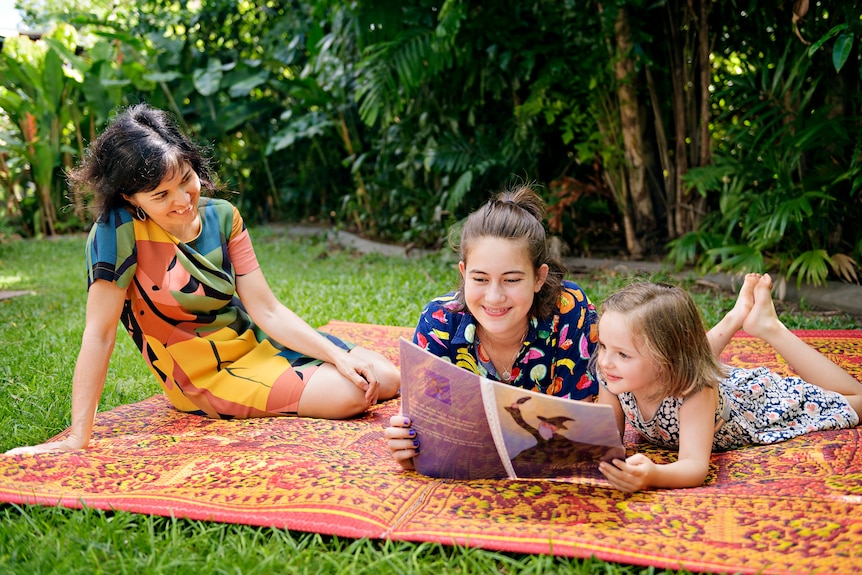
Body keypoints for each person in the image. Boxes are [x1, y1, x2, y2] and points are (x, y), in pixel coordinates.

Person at [5, 103, 400, 455]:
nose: (181, 200)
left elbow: (266, 308)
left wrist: (337, 356)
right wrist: (79, 436)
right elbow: (99, 333)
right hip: (204, 373)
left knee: (386, 377)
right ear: (129, 197)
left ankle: (326, 366)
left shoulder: (223, 216)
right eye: (160, 195)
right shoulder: (117, 232)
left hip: (254, 340)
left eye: (185, 179)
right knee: (353, 395)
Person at [385, 185, 600, 469]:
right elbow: (422, 430)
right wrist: (407, 444)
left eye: (511, 280)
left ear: (538, 278)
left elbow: (582, 433)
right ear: (464, 273)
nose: (495, 297)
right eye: (481, 279)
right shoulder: (439, 322)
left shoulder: (572, 313)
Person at [595, 273, 862, 492]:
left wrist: (654, 475)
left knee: (858, 401)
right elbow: (606, 441)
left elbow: (694, 466)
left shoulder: (695, 389)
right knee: (688, 359)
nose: (605, 361)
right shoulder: (613, 373)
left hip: (754, 404)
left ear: (665, 358)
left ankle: (770, 327)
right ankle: (737, 316)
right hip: (685, 370)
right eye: (604, 345)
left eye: (623, 354)